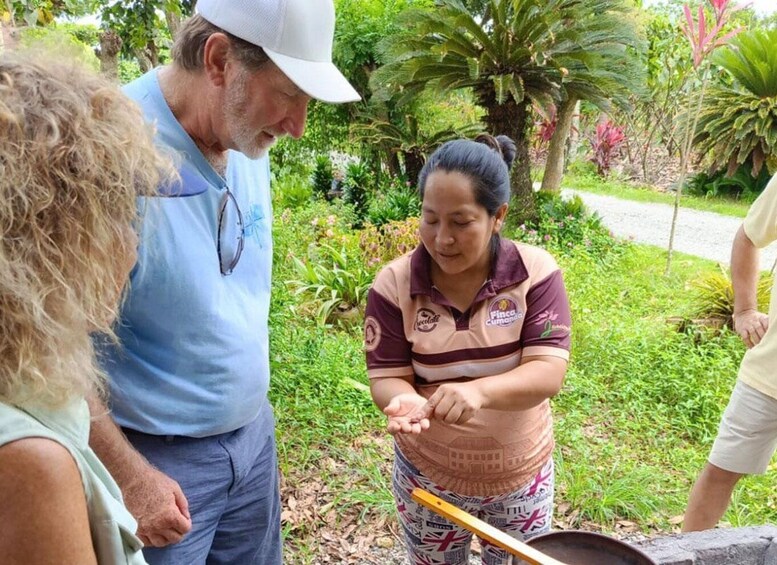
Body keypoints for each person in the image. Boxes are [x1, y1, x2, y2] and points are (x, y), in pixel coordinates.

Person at [89, 1, 359, 563]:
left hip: (252, 439)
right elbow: (49, 350)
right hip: (155, 461)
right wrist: (130, 476)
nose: (298, 125)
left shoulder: (243, 132)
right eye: (288, 94)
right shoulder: (106, 151)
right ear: (218, 61)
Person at [364, 135, 572, 565]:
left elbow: (547, 372)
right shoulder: (394, 285)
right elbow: (387, 376)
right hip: (428, 478)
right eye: (430, 218)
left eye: (461, 222)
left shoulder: (535, 273)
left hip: (521, 476)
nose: (442, 239)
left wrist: (478, 392)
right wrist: (403, 399)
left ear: (498, 216)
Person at [0, 54, 171, 564]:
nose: (133, 245)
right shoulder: (31, 465)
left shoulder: (29, 376)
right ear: (47, 242)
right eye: (117, 213)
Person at [683, 175, 777, 532]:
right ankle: (685, 555)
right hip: (769, 373)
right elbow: (749, 236)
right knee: (720, 473)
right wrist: (744, 311)